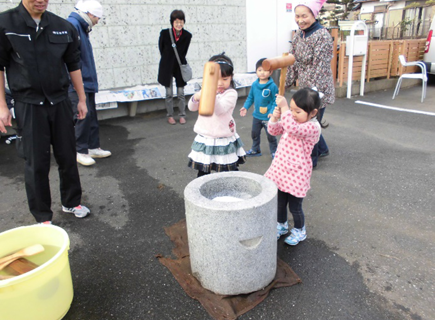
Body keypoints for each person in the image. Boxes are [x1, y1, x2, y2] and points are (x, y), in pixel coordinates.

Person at [0, 0, 90, 223]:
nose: (40, 0)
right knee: (36, 162)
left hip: (59, 102)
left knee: (67, 156)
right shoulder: (5, 24)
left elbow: (73, 64)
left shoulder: (62, 26)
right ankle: (42, 217)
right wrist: (2, 105)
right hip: (29, 104)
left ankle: (71, 202)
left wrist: (81, 99)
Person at [265, 88, 325, 246]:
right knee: (279, 202)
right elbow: (273, 130)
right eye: (291, 109)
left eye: (297, 111)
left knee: (295, 207)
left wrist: (284, 108)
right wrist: (275, 117)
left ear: (312, 113)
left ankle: (300, 230)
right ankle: (282, 225)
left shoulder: (312, 127)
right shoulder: (292, 120)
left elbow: (292, 128)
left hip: (297, 173)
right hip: (281, 170)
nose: (292, 114)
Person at [286, 0, 334, 168]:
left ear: (314, 15)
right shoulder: (299, 34)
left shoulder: (322, 36)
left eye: (304, 16)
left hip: (318, 88)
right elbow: (293, 60)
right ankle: (323, 148)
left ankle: (310, 161)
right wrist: (286, 82)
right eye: (297, 16)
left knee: (309, 124)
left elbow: (321, 66)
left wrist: (312, 94)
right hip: (305, 86)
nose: (300, 20)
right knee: (309, 121)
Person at [67, 0, 111, 166]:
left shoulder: (80, 27)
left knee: (90, 115)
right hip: (79, 83)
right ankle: (80, 150)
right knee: (82, 116)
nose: (98, 21)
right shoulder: (73, 25)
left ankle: (92, 146)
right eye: (97, 17)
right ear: (90, 14)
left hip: (86, 81)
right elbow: (72, 60)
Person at [187, 53, 246, 177]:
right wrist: (196, 97)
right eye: (216, 79)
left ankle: (234, 190)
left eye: (225, 79)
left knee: (228, 172)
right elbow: (191, 108)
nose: (220, 83)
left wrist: (210, 93)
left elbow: (220, 110)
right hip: (206, 137)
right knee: (203, 173)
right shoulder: (205, 91)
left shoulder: (231, 94)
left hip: (222, 137)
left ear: (231, 77)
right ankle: (202, 194)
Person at [158, 9, 192, 125]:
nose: (179, 24)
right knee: (169, 93)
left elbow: (184, 52)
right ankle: (170, 115)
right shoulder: (165, 33)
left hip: (179, 66)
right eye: (176, 22)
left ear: (184, 22)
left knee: (181, 93)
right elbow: (161, 49)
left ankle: (182, 115)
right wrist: (168, 59)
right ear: (172, 22)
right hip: (167, 66)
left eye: (181, 21)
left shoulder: (187, 36)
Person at [240, 58, 278, 159]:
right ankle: (255, 149)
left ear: (270, 72)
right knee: (254, 133)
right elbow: (250, 97)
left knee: (271, 135)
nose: (262, 73)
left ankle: (274, 152)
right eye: (259, 70)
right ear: (256, 71)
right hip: (257, 116)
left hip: (268, 117)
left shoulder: (273, 86)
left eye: (265, 70)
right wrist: (245, 107)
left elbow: (276, 101)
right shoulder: (254, 85)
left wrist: (272, 112)